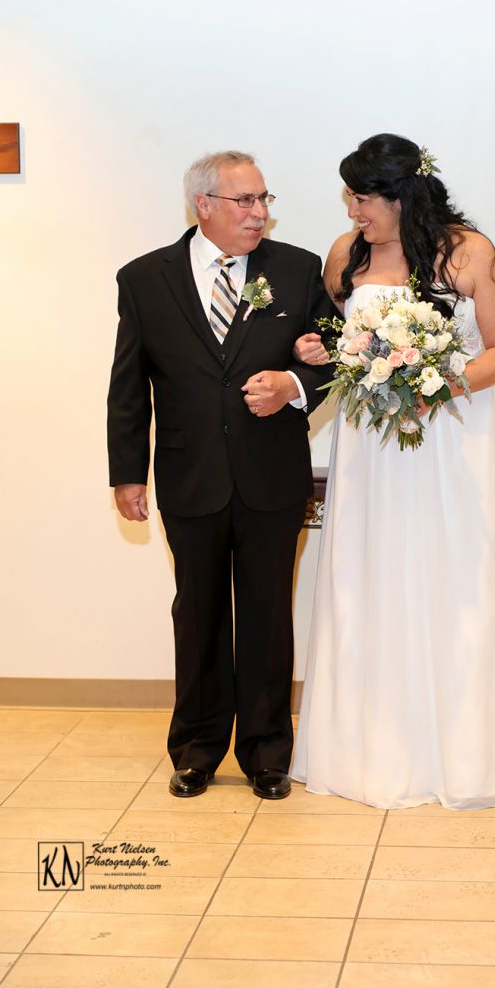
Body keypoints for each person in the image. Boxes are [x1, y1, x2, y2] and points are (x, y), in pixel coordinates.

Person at [291, 133, 495, 810]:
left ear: (401, 194)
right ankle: (378, 742)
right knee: (376, 574)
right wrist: (318, 348)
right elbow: (341, 348)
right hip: (374, 451)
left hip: (455, 436)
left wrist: (436, 384)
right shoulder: (345, 254)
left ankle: (469, 744)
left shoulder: (471, 253)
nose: (353, 210)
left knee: (464, 574)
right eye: (350, 198)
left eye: (362, 198)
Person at [107, 150, 334, 801]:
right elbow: (129, 385)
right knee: (198, 615)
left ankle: (266, 752)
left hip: (271, 475)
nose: (260, 213)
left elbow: (335, 352)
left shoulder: (296, 269)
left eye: (265, 199)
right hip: (189, 475)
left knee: (267, 616)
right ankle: (196, 749)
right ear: (202, 206)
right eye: (246, 201)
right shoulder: (145, 279)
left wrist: (293, 382)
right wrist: (127, 471)